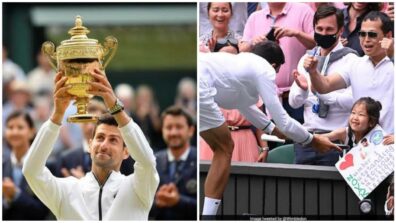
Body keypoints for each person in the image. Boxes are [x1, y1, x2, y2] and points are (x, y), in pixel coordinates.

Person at [199, 41, 341, 216]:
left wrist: (272, 129)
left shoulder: (239, 65)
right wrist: (312, 140)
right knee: (224, 148)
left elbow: (245, 106)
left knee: (222, 148)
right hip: (201, 86)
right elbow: (285, 122)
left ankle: (207, 215)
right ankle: (207, 217)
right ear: (274, 66)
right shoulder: (265, 69)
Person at [22, 69, 159, 220]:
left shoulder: (138, 187)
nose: (104, 145)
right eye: (100, 138)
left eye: (113, 140)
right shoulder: (67, 190)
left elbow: (147, 161)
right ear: (90, 144)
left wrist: (114, 106)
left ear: (126, 152)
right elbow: (31, 170)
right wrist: (57, 115)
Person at [304, 11, 394, 135]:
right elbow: (325, 86)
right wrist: (313, 72)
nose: (366, 40)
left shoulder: (392, 62)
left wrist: (392, 56)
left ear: (388, 36)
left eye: (372, 34)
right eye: (362, 34)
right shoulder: (356, 64)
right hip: (363, 145)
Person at [289, 5, 358, 166]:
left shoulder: (352, 60)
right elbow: (294, 102)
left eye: (329, 29)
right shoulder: (306, 58)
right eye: (319, 28)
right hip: (308, 139)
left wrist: (322, 93)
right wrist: (303, 89)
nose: (324, 33)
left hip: (336, 141)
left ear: (340, 31)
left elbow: (353, 101)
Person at [240, 2, 316, 124]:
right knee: (271, 139)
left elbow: (317, 43)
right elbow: (242, 50)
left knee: (299, 139)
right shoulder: (255, 17)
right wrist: (252, 42)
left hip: (297, 96)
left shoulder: (303, 10)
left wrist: (297, 34)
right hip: (265, 96)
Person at [150, 106, 197, 220]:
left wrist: (178, 201)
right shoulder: (153, 162)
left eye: (179, 127)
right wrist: (157, 203)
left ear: (191, 130)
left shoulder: (200, 162)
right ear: (162, 130)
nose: (174, 132)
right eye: (169, 127)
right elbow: (140, 205)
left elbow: (205, 209)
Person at [3, 111, 49, 220]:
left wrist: (16, 195)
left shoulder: (44, 166)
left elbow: (44, 211)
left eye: (20, 127)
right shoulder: (3, 166)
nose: (14, 132)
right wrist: (7, 200)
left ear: (32, 131)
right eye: (10, 127)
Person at [323, 97, 393, 152]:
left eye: (361, 114)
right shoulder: (344, 133)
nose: (355, 118)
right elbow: (320, 138)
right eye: (353, 113)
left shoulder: (381, 137)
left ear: (371, 122)